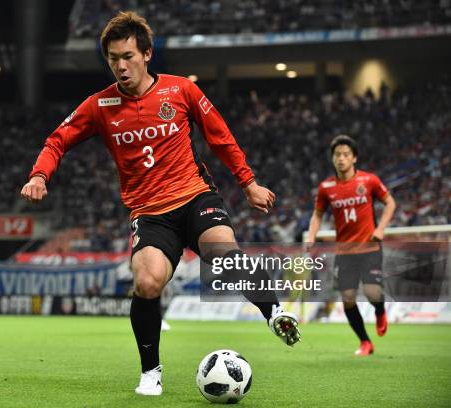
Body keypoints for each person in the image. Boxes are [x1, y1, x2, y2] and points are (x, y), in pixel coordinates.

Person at [21, 11, 300, 396]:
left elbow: (220, 136)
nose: (120, 66)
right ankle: (151, 371)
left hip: (194, 195)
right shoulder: (99, 106)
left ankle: (274, 313)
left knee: (223, 255)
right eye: (113, 59)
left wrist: (248, 183)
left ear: (147, 53)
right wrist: (39, 175)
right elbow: (57, 140)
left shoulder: (182, 90)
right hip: (150, 213)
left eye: (128, 56)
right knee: (148, 282)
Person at [306, 135, 396, 356]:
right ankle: (365, 342)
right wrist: (311, 236)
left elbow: (390, 203)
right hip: (344, 252)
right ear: (332, 158)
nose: (341, 158)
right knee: (347, 300)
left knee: (373, 291)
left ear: (354, 158)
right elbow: (317, 215)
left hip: (369, 247)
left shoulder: (369, 180)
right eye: (337, 155)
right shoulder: (326, 187)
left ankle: (380, 311)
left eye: (346, 154)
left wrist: (380, 229)